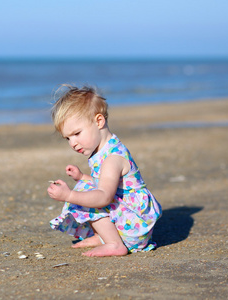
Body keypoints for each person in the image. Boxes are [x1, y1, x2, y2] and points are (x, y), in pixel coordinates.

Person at [47, 85, 162, 257]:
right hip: (131, 219)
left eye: (77, 133)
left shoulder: (112, 158)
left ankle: (114, 244)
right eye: (68, 138)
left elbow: (104, 197)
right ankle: (102, 236)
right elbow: (105, 183)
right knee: (84, 186)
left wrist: (68, 196)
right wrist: (82, 177)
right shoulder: (104, 150)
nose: (73, 143)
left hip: (135, 227)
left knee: (83, 196)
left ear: (99, 121)